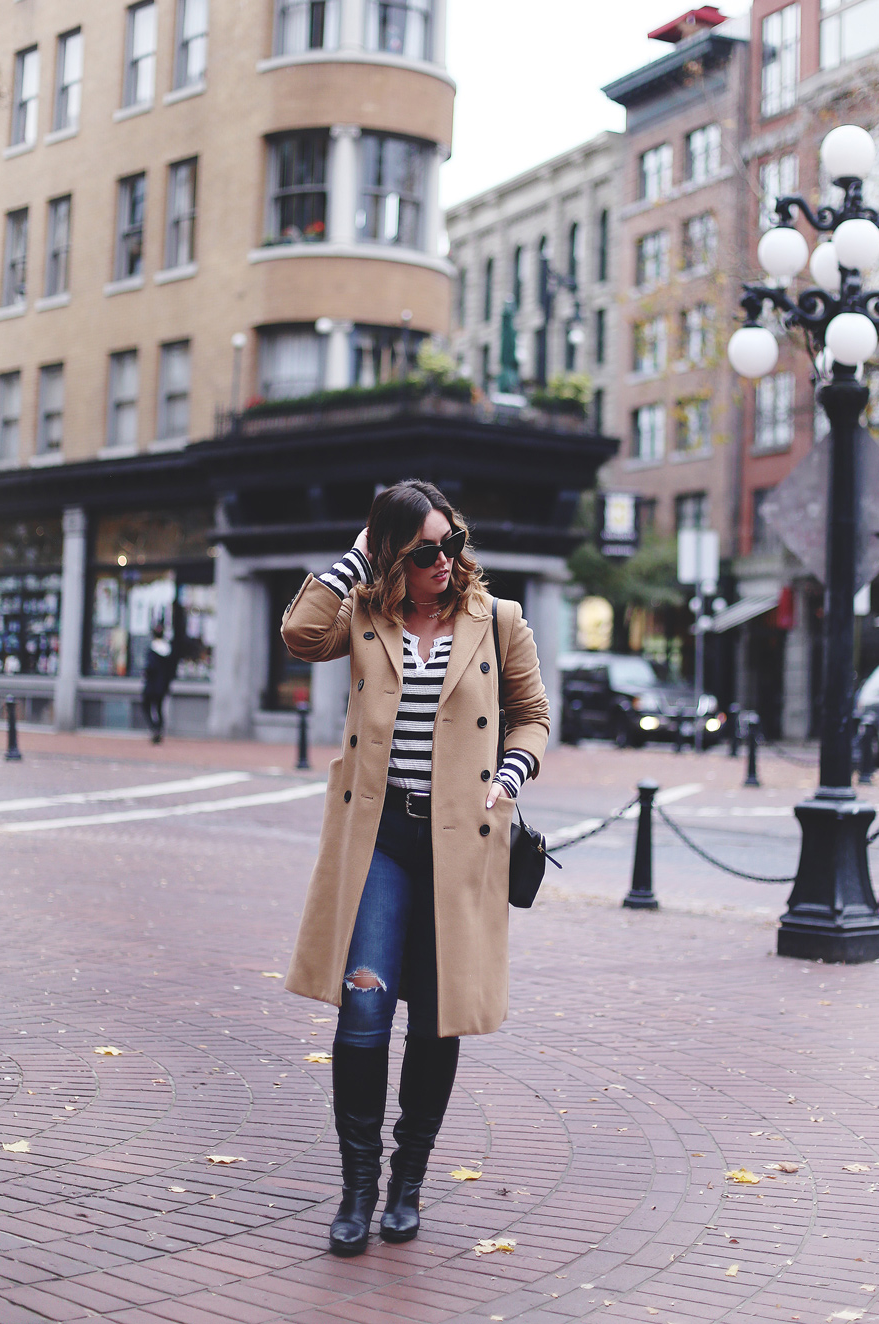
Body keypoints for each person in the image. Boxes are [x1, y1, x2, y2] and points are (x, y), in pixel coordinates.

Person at [281, 479, 550, 1257]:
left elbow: (531, 714)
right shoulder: (365, 615)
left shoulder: (498, 621)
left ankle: (408, 1184)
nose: (444, 560)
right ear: (396, 556)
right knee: (363, 1012)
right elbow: (300, 636)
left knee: (437, 1017)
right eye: (425, 549)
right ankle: (357, 1190)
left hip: (460, 841)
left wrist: (512, 774)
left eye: (451, 543)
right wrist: (357, 553)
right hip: (380, 844)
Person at [141, 622, 175, 743]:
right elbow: (171, 670)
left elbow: (150, 668)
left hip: (152, 685)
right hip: (162, 685)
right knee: (159, 708)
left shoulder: (152, 650)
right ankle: (158, 728)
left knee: (146, 706)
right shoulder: (168, 649)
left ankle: (155, 728)